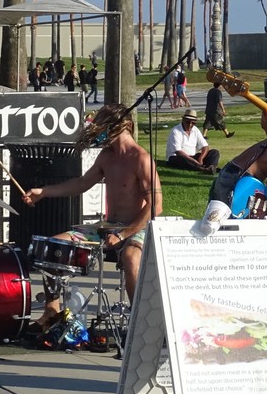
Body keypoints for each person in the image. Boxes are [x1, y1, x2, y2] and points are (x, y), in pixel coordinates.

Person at [20, 103, 162, 308]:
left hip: (136, 228)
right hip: (107, 226)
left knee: (131, 258)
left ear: (120, 125)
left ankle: (137, 322)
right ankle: (52, 312)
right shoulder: (106, 156)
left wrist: (123, 235)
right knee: (52, 247)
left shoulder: (141, 158)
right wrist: (44, 192)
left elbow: (155, 206)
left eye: (103, 126)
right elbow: (82, 183)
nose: (100, 132)